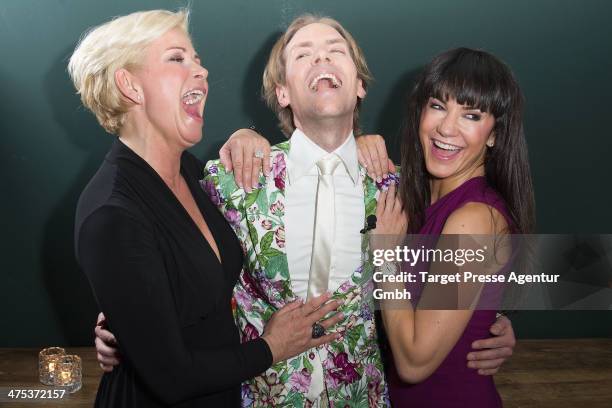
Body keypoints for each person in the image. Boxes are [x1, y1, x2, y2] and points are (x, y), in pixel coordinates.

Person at [94, 15, 518, 407]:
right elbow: (165, 263)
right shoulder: (229, 182)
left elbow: (462, 271)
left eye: (336, 50)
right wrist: (119, 326)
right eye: (303, 54)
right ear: (283, 92)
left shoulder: (403, 189)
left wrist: (494, 322)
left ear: (359, 85)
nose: (321, 57)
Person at [71, 9, 343, 407]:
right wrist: (272, 346)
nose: (202, 71)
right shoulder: (111, 214)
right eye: (178, 58)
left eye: (197, 59)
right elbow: (171, 375)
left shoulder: (192, 172)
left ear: (361, 86)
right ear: (129, 84)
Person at [362, 47, 534, 407]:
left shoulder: (474, 218)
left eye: (471, 115)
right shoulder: (417, 200)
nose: (446, 127)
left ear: (494, 135)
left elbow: (414, 361)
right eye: (438, 106)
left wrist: (387, 259)